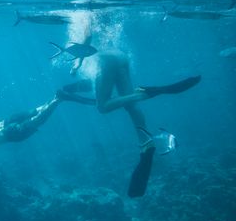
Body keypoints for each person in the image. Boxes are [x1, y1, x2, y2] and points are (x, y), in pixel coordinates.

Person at [59, 14, 200, 197]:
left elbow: (87, 39)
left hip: (104, 59)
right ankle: (145, 142)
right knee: (130, 105)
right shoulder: (104, 10)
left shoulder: (85, 13)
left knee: (103, 107)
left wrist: (77, 64)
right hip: (120, 56)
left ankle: (144, 93)